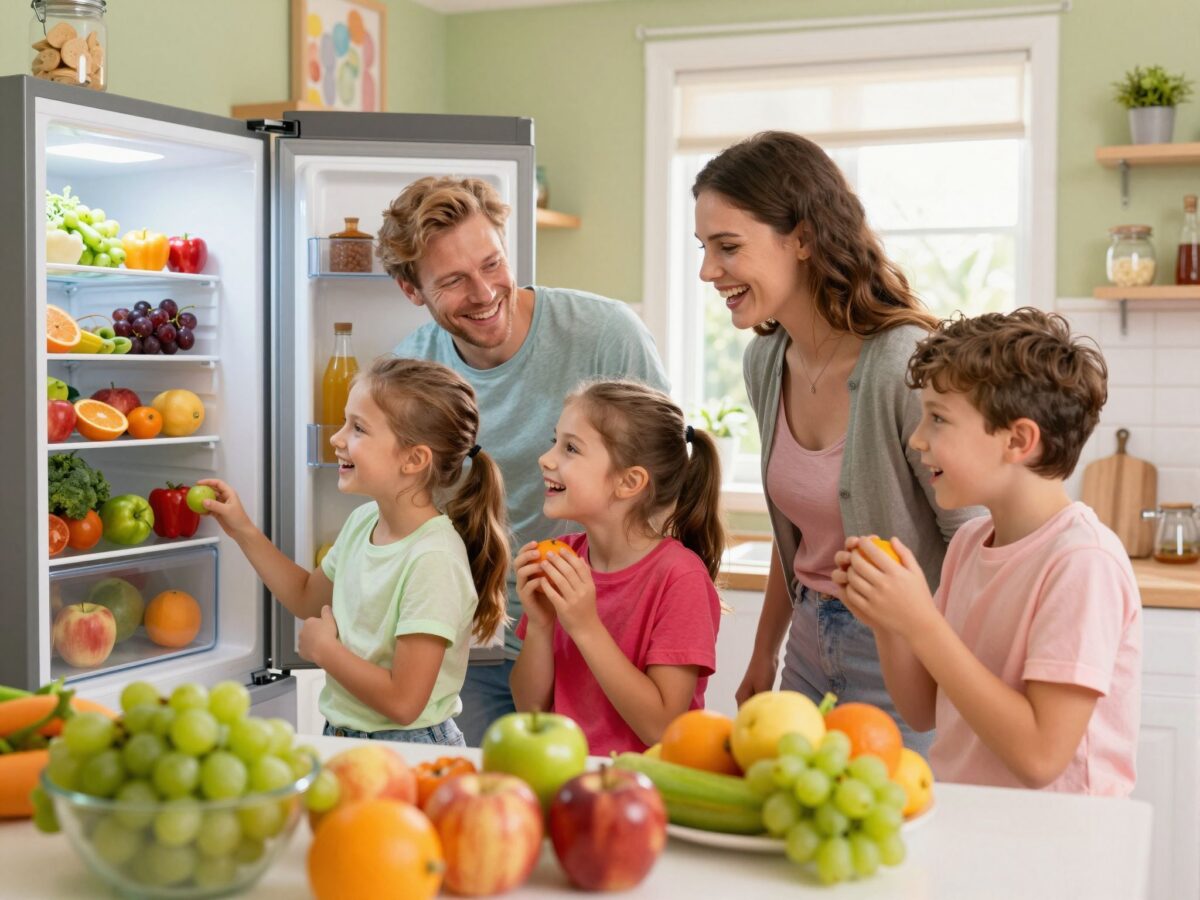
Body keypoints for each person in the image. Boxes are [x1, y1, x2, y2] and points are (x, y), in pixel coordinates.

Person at [693, 131, 980, 753]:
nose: (707, 270)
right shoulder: (765, 362)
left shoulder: (904, 362)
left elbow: (973, 539)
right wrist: (762, 655)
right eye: (704, 248)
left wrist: (957, 670)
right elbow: (795, 530)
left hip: (904, 655)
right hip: (807, 645)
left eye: (728, 247)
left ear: (802, 238)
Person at [381, 175, 669, 745]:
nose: (485, 292)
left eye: (492, 264)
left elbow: (665, 486)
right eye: (454, 281)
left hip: (605, 641)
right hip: (479, 649)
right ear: (411, 289)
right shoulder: (414, 371)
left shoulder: (606, 334)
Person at [834, 308, 1141, 794]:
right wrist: (889, 622)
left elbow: (1041, 757)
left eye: (937, 418)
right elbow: (921, 708)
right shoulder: (970, 545)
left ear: (1018, 440)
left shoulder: (1082, 563)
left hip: (1062, 842)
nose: (916, 438)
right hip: (976, 819)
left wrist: (920, 622)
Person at [200, 357, 509, 746]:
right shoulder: (364, 521)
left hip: (409, 745)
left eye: (358, 428)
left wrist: (325, 651)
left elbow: (404, 702)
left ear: (414, 459)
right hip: (345, 736)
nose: (336, 437)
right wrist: (242, 530)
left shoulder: (434, 559)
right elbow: (307, 599)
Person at [509, 379, 725, 755]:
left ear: (629, 482)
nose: (547, 459)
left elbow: (661, 728)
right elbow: (529, 709)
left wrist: (585, 626)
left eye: (571, 448)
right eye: (554, 441)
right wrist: (541, 625)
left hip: (646, 787)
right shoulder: (563, 559)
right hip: (567, 775)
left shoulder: (680, 578)